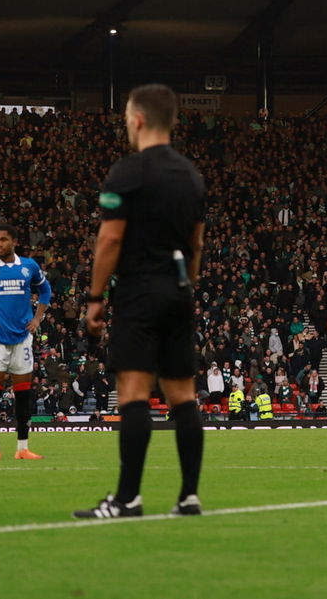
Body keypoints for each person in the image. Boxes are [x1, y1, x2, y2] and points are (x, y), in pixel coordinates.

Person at [75, 84, 206, 519]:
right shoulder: (191, 174)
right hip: (179, 290)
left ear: (138, 120)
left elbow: (110, 237)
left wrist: (95, 298)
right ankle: (189, 496)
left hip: (140, 290)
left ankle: (128, 498)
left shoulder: (127, 172)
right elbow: (197, 243)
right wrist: (187, 286)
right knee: (183, 395)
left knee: (133, 393)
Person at [0, 224, 52, 460]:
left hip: (23, 339)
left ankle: (22, 448)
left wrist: (37, 318)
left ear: (14, 241)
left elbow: (45, 290)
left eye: (3, 240)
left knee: (23, 395)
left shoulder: (28, 266)